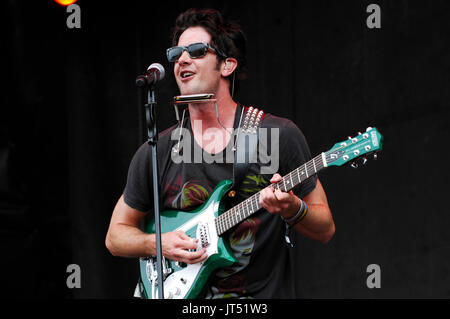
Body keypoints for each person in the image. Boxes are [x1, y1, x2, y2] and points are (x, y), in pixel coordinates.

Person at [105, 8, 335, 299]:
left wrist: (293, 210)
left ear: (227, 66)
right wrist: (159, 244)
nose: (182, 60)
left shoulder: (278, 136)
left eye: (197, 51)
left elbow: (325, 227)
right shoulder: (157, 150)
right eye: (177, 54)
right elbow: (115, 236)